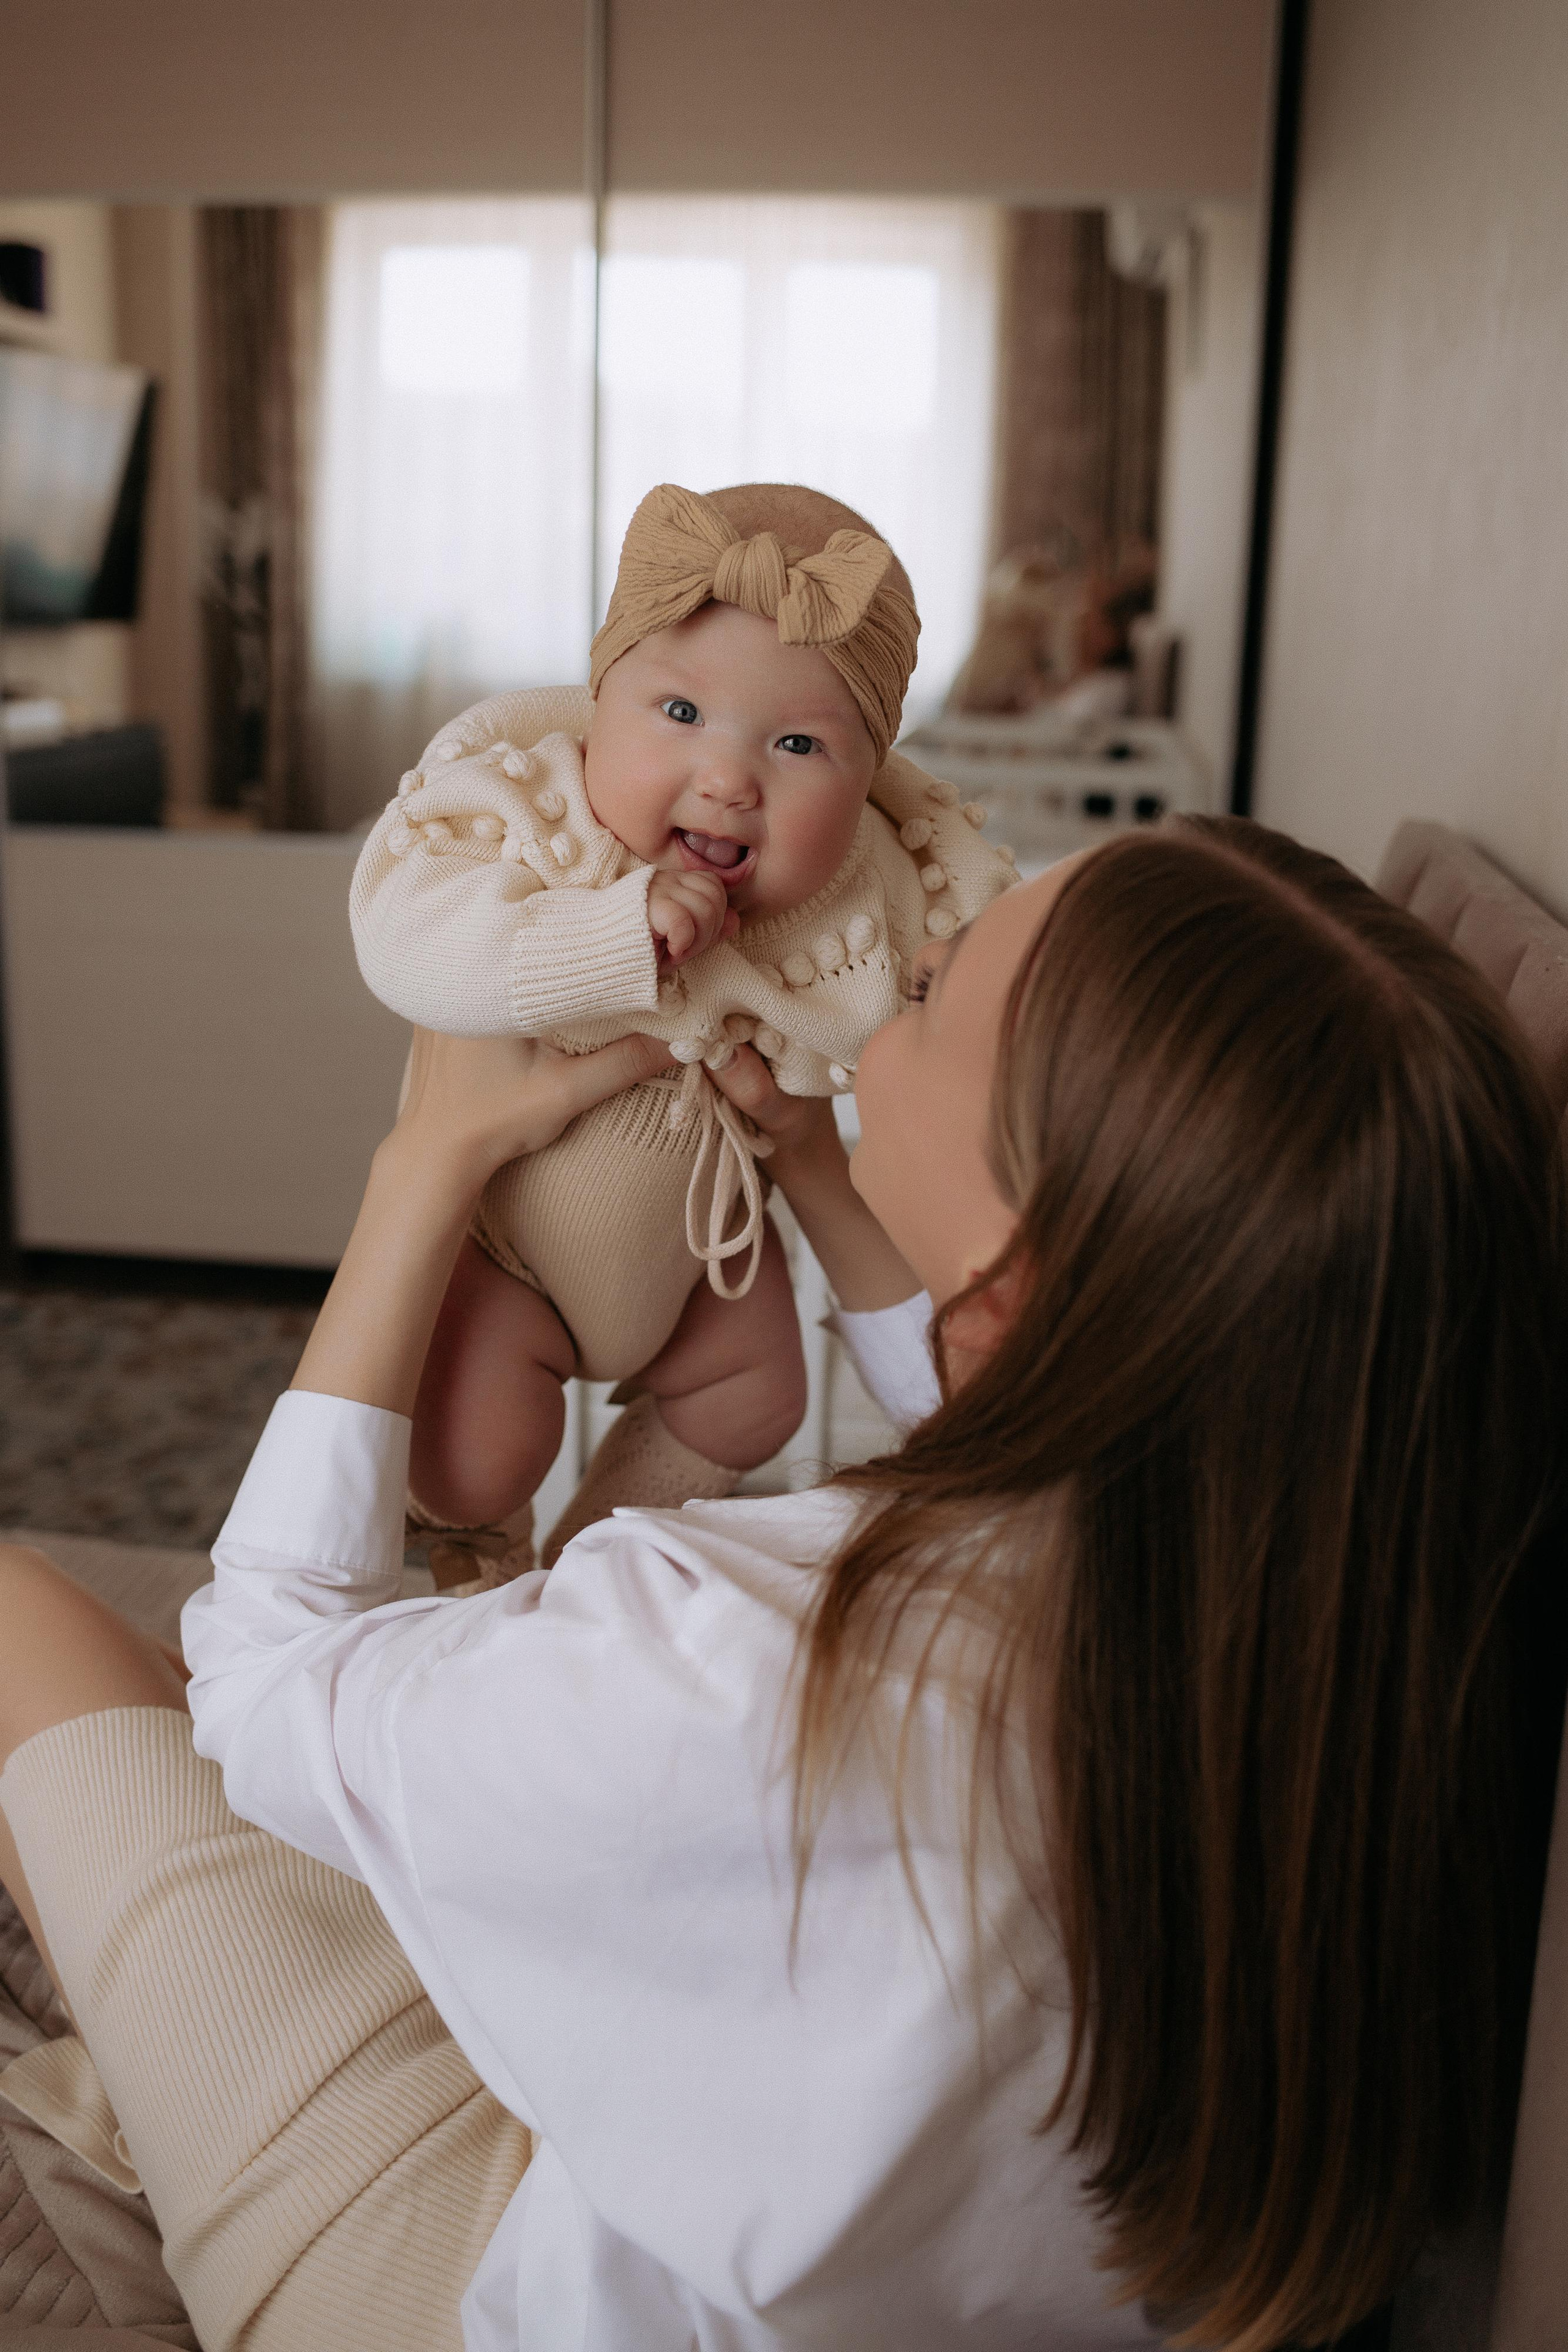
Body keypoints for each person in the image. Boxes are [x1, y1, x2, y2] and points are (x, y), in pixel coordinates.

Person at [0, 815, 1562, 2352]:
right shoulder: (1335, 1618)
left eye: (941, 991)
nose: (910, 964)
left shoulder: (742, 1655)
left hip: (478, 2287)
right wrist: (819, 1170)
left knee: (36, 1621)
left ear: (1022, 1285)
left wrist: (421, 1169)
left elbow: (264, 1689)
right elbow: (1020, 1414)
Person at [350, 479, 1013, 1587]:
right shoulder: (533, 816)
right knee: (473, 1456)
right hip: (513, 1239)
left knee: (760, 1394)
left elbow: (955, 982)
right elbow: (398, 935)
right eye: (681, 714)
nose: (729, 778)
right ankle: (480, 1542)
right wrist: (602, 938)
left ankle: (588, 1562)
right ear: (600, 698)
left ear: (869, 783)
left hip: (706, 1248)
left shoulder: (866, 889)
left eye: (800, 744)